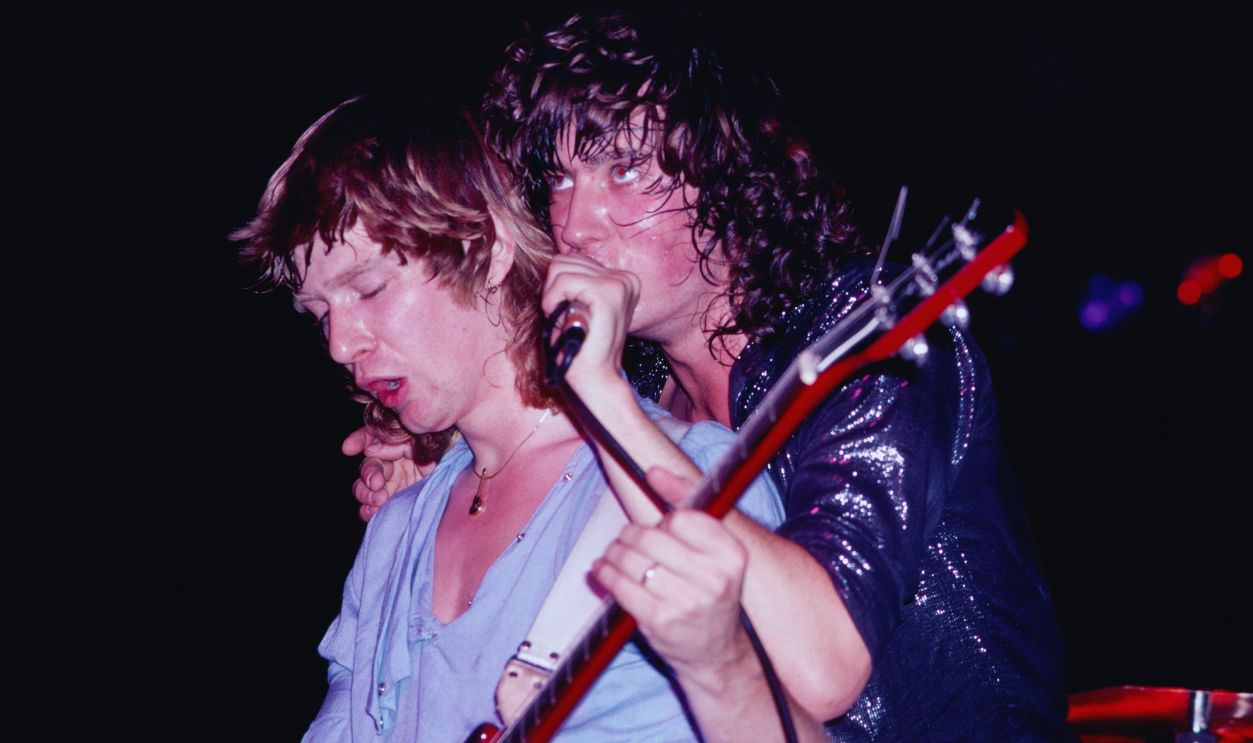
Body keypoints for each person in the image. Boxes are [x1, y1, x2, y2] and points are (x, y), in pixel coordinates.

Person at [350, 9, 1071, 741]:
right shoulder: (647, 395)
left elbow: (826, 670)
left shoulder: (858, 333)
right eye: (559, 178)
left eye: (623, 168)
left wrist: (600, 398)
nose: (577, 223)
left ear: (724, 167)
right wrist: (452, 484)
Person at [233, 94, 796, 742]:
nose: (339, 343)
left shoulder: (682, 482)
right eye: (319, 312)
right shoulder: (394, 533)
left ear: (489, 248)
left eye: (369, 288)